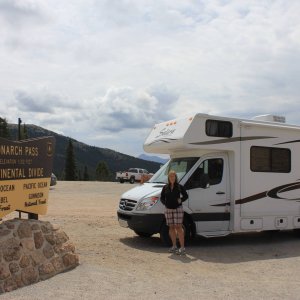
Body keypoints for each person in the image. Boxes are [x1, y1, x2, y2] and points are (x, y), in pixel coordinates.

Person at [160, 170, 188, 255]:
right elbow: (162, 197)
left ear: (176, 177)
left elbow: (186, 196)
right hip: (168, 210)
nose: (172, 178)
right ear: (168, 178)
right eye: (170, 176)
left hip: (178, 209)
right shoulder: (165, 187)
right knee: (171, 227)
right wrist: (165, 203)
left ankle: (182, 248)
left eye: (173, 176)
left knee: (178, 227)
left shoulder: (180, 187)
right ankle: (174, 246)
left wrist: (180, 200)